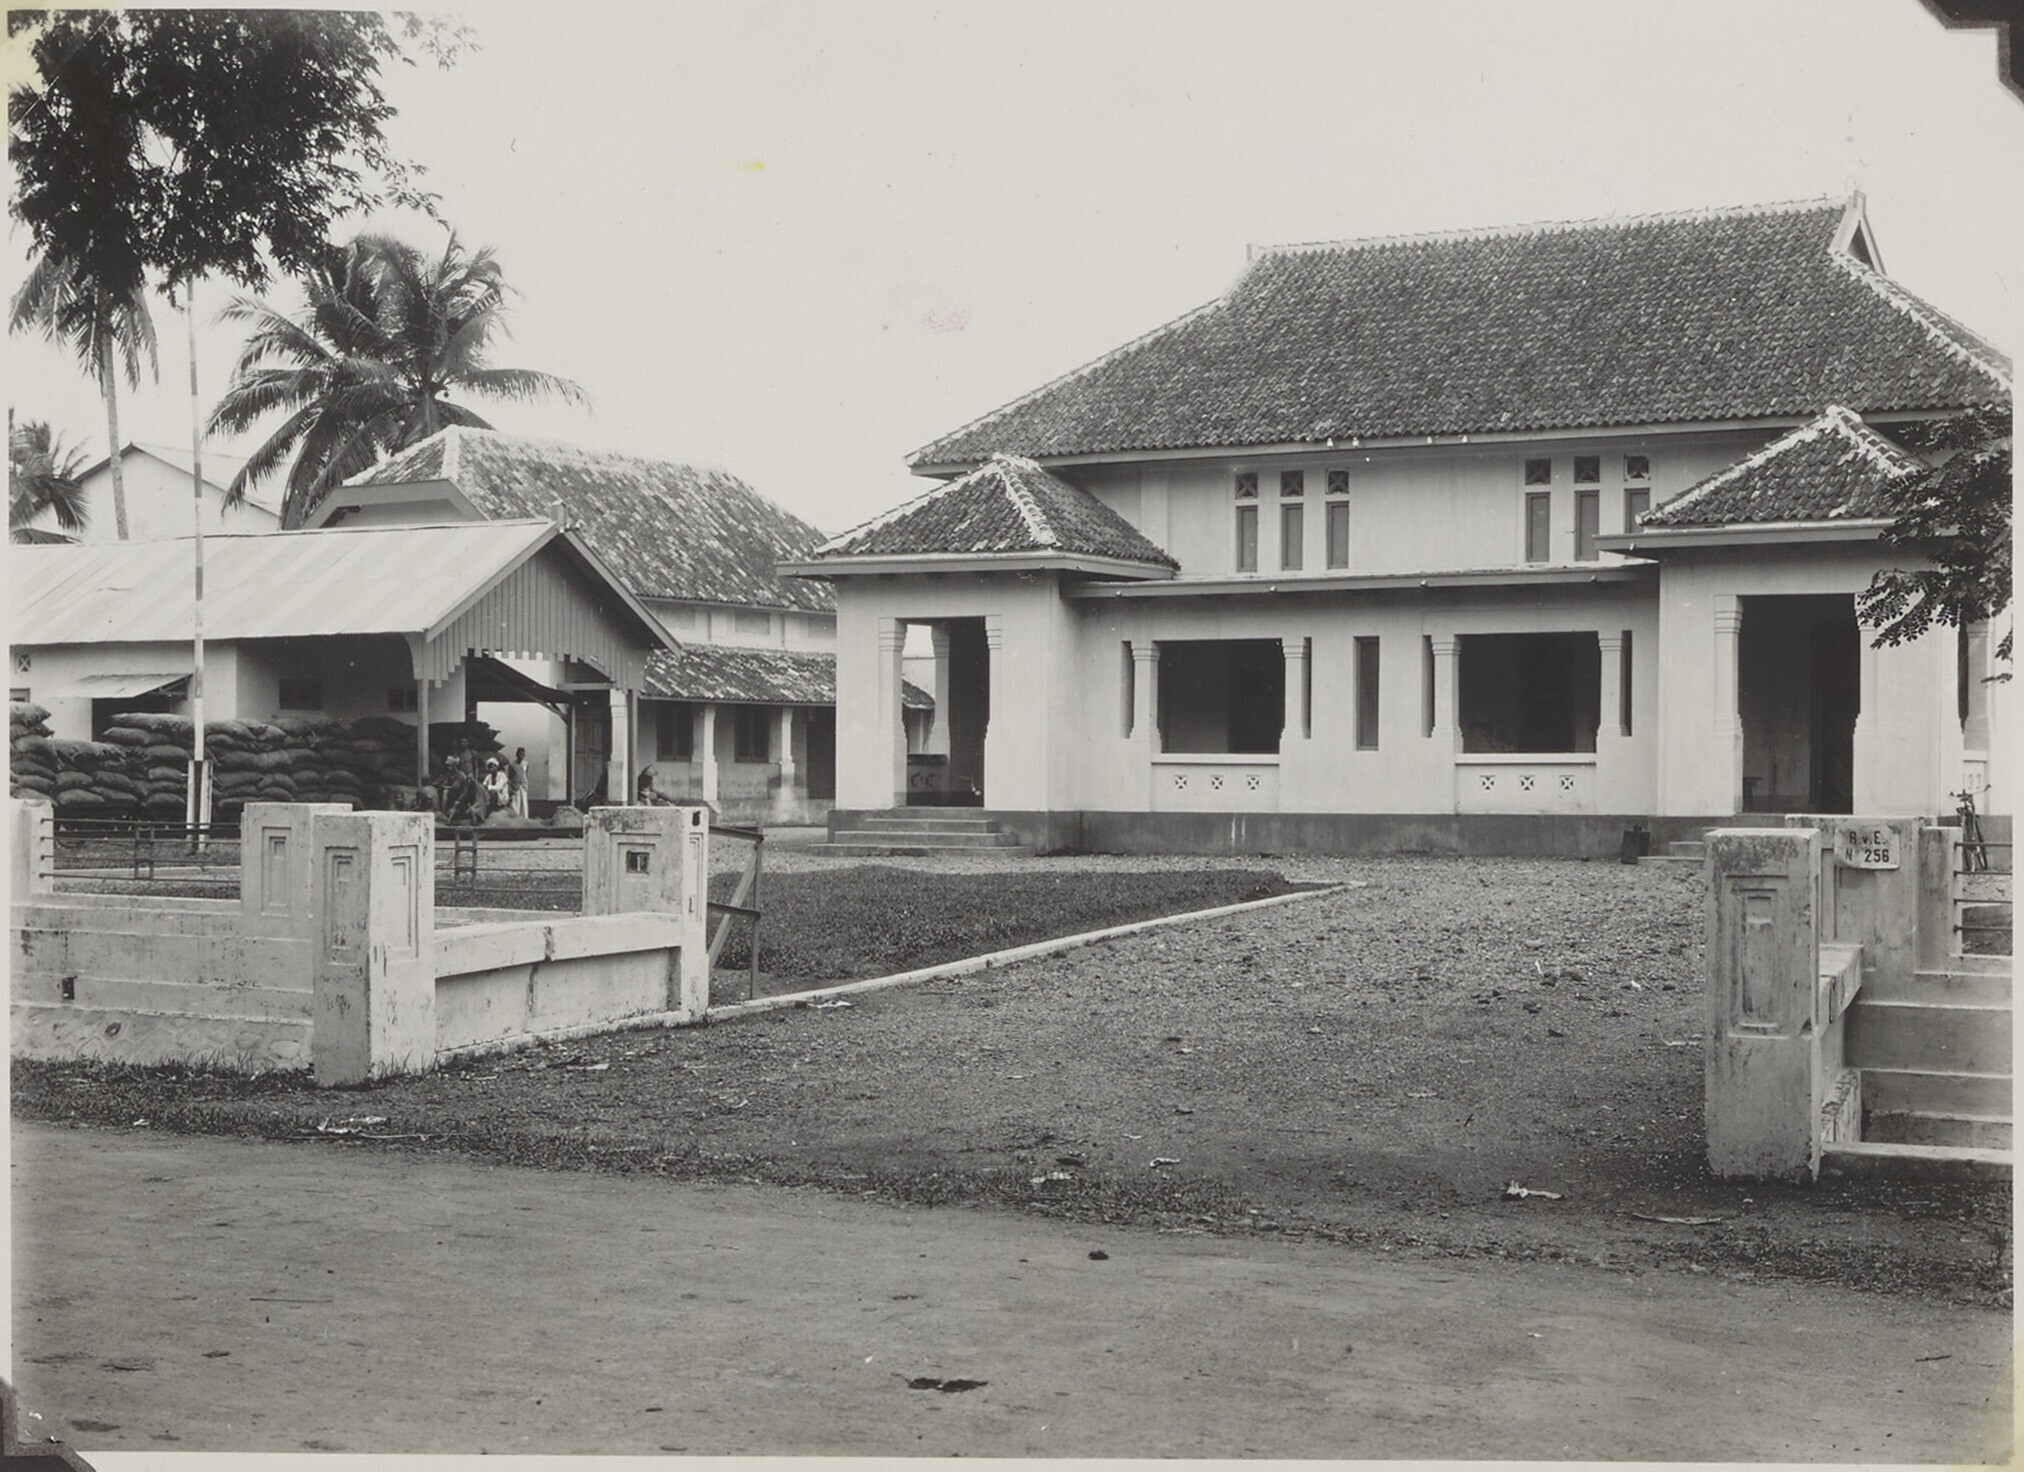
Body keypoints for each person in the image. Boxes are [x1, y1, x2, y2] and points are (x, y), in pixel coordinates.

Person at [508, 746, 529, 818]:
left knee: (524, 804)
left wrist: (525, 784)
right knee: (516, 804)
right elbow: (510, 776)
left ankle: (524, 818)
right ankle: (516, 819)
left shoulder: (526, 764)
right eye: (520, 754)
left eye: (523, 754)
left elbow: (526, 774)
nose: (521, 756)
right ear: (516, 754)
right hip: (515, 786)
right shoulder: (512, 765)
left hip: (523, 786)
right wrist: (511, 787)